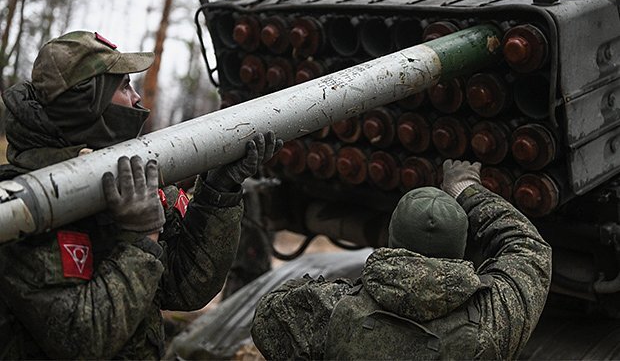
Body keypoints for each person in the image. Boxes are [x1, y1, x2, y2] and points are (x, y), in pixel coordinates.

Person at [0, 31, 282, 359]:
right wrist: (140, 239)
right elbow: (82, 339)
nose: (137, 99)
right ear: (86, 103)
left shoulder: (131, 175)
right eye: (123, 86)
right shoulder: (24, 208)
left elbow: (186, 288)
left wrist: (218, 193)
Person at [251, 159, 552, 360]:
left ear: (392, 238)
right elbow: (528, 245)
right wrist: (467, 190)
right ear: (461, 248)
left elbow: (266, 319)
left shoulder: (329, 310)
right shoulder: (495, 322)